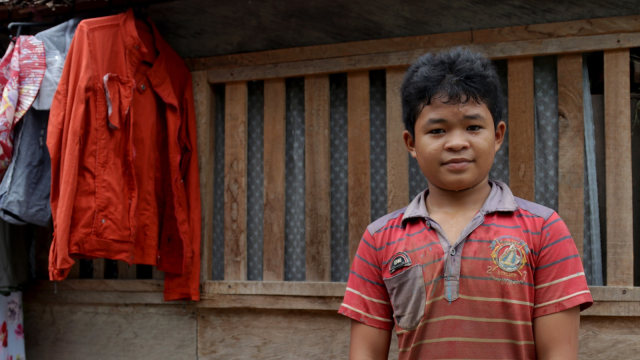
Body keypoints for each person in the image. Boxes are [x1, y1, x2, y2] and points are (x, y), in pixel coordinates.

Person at [338, 47, 593, 359]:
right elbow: (364, 352)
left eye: (473, 127)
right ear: (411, 143)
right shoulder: (380, 238)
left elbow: (559, 353)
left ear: (498, 135)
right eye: (437, 130)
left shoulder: (543, 229)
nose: (457, 142)